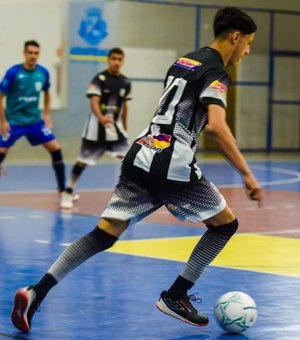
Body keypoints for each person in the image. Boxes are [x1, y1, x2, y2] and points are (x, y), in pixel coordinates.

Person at [11, 7, 263, 333]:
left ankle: (36, 291)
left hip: (142, 152)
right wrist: (246, 172)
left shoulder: (184, 61)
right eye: (248, 44)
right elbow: (215, 127)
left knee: (104, 233)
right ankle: (176, 295)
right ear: (235, 36)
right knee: (225, 225)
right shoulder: (216, 73)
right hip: (172, 161)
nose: (247, 51)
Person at [0, 40, 69, 208]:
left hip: (35, 122)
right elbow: (0, 96)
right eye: (30, 52)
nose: (33, 56)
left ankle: (63, 192)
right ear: (24, 54)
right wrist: (3, 121)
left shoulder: (43, 73)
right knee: (1, 152)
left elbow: (47, 93)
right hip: (14, 122)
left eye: (36, 53)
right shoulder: (13, 72)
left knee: (56, 149)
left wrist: (46, 113)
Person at [62, 47, 131, 208]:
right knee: (82, 162)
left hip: (115, 132)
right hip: (95, 131)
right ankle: (68, 191)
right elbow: (93, 101)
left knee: (129, 162)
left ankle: (126, 195)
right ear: (108, 60)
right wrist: (101, 119)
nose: (116, 62)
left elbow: (125, 107)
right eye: (113, 59)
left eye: (119, 59)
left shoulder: (126, 82)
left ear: (122, 61)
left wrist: (125, 129)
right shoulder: (99, 79)